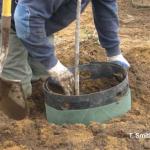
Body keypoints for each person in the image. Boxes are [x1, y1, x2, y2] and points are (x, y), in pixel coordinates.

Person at [0, 0, 130, 112]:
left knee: (44, 82)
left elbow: (105, 8)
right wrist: (52, 63)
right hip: (9, 22)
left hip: (40, 23)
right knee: (19, 94)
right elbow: (24, 19)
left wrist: (114, 52)